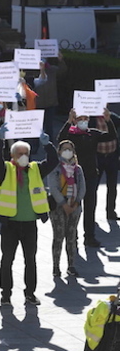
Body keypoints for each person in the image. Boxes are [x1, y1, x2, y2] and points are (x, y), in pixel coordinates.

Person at [0, 126, 57, 306]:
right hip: (10, 224)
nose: (23, 156)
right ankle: (6, 294)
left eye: (25, 153)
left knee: (31, 260)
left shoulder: (35, 169)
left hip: (29, 224)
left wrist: (47, 144)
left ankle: (30, 293)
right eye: (19, 153)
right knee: (7, 260)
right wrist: (0, 141)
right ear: (12, 156)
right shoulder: (6, 170)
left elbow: (53, 161)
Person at [58, 108, 117, 247]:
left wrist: (108, 120)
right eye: (80, 119)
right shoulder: (71, 135)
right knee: (74, 206)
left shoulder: (93, 134)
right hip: (73, 176)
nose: (83, 122)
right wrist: (68, 121)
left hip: (90, 175)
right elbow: (60, 139)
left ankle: (89, 236)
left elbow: (111, 136)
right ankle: (73, 236)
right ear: (75, 120)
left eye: (85, 119)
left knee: (90, 206)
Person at [47, 140, 85, 278]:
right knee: (58, 237)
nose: (67, 152)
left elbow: (82, 187)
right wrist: (63, 204)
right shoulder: (55, 168)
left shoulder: (77, 169)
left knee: (71, 236)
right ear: (59, 151)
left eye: (70, 149)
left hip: (74, 206)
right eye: (65, 149)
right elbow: (53, 188)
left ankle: (71, 265)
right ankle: (56, 266)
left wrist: (76, 203)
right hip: (58, 207)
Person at [33, 53, 67, 142]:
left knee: (49, 127)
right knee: (37, 127)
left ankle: (49, 144)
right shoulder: (33, 71)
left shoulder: (52, 69)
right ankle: (35, 146)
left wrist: (61, 61)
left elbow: (63, 71)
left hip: (51, 103)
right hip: (38, 103)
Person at [94, 111, 119, 220]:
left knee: (112, 186)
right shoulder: (91, 120)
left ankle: (110, 212)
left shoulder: (112, 117)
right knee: (93, 186)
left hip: (112, 156)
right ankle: (91, 213)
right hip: (97, 157)